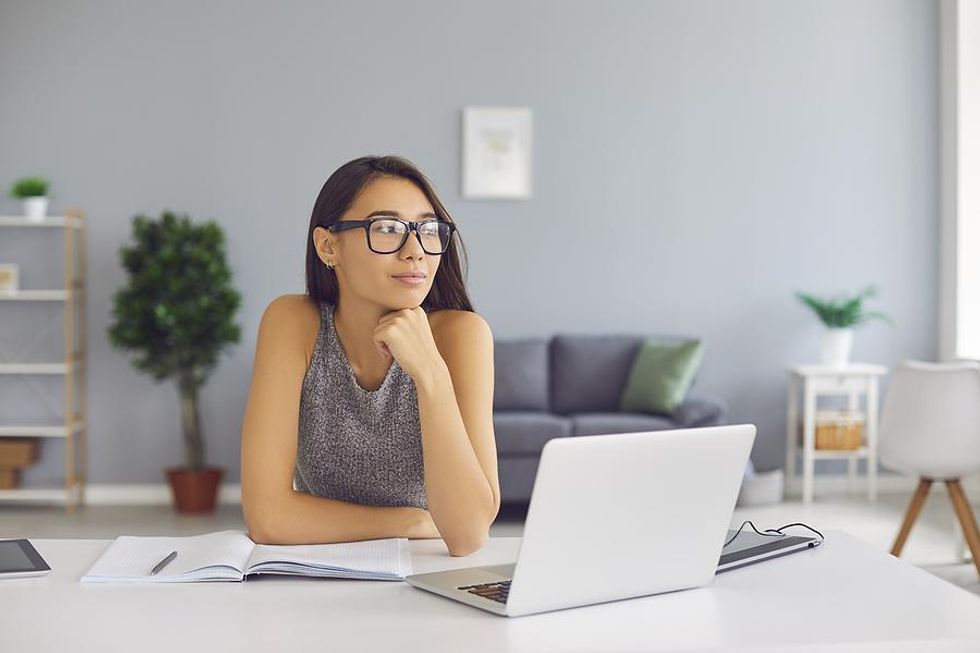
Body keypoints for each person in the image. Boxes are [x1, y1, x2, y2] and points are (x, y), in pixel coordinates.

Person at [240, 155, 499, 556]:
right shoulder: (292, 323)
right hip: (319, 571)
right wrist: (411, 521)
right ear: (329, 246)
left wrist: (430, 372)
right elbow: (267, 517)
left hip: (427, 574)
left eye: (427, 229)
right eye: (387, 228)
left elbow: (467, 535)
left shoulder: (463, 336)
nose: (415, 251)